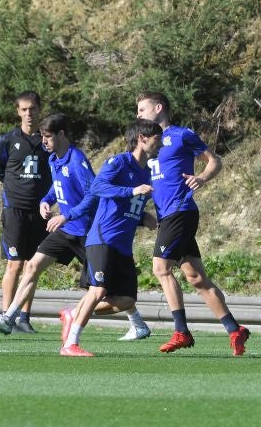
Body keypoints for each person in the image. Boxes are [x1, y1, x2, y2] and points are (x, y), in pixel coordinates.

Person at [0, 114, 150, 339]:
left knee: (106, 290)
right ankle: (9, 318)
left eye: (48, 137)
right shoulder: (53, 159)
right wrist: (45, 200)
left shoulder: (76, 160)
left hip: (87, 233)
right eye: (42, 137)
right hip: (66, 230)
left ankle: (136, 323)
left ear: (61, 134)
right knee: (32, 266)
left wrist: (67, 216)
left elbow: (93, 194)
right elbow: (56, 186)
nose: (44, 142)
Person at [136, 92, 250, 356]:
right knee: (196, 277)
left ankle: (181, 332)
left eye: (142, 109)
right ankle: (235, 329)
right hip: (166, 215)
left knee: (160, 268)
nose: (138, 114)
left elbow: (214, 161)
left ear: (158, 108)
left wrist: (202, 178)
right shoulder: (146, 142)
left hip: (181, 211)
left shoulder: (181, 135)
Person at [60, 119, 161, 356]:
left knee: (127, 300)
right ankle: (70, 344)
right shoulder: (119, 162)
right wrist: (132, 190)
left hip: (123, 246)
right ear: (142, 139)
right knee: (97, 291)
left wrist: (143, 217)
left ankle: (74, 313)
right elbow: (97, 188)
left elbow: (128, 206)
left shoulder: (147, 172)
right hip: (103, 238)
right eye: (157, 140)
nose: (161, 145)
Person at [0, 91, 52, 333]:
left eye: (33, 108)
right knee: (14, 264)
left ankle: (24, 318)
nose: (29, 114)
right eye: (24, 109)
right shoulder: (8, 140)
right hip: (14, 209)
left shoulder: (47, 141)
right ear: (18, 111)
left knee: (32, 265)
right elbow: (0, 169)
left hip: (39, 211)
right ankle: (7, 317)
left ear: (39, 110)